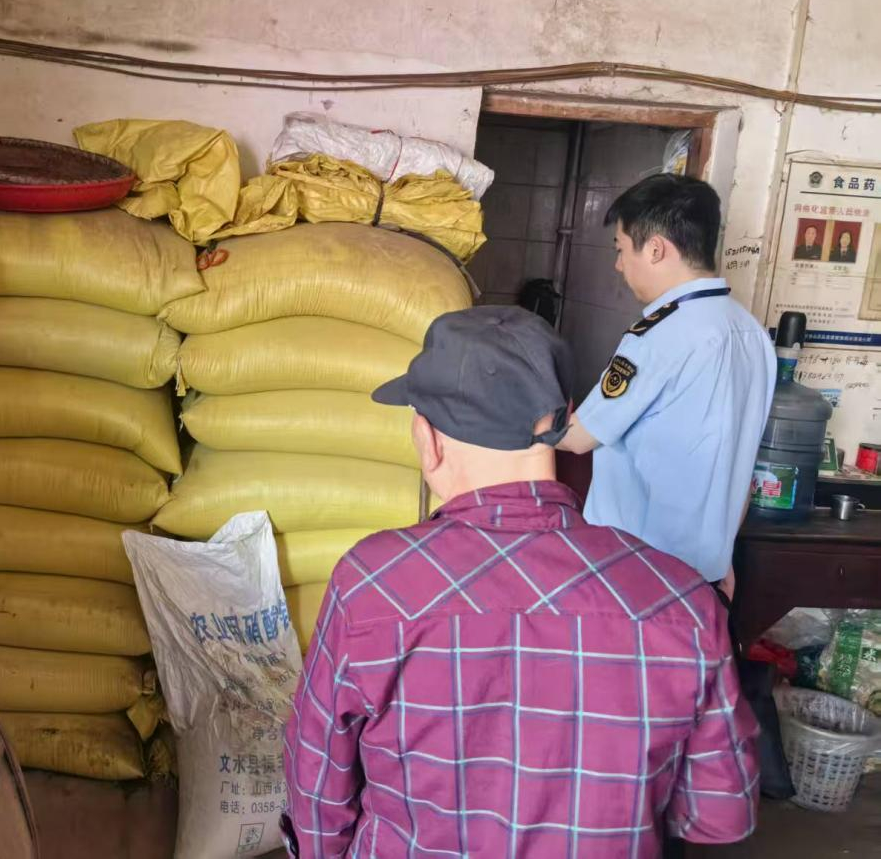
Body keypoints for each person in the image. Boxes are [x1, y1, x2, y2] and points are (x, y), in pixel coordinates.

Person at [282, 307, 759, 858]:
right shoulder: (681, 601)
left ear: (427, 440)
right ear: (565, 420)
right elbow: (720, 815)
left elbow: (317, 791)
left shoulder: (372, 585)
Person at [557, 175, 775, 590]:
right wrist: (723, 556)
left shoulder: (658, 335)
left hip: (639, 573)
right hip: (706, 573)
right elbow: (742, 461)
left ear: (655, 249)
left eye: (621, 249)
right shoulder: (752, 334)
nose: (619, 265)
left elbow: (578, 437)